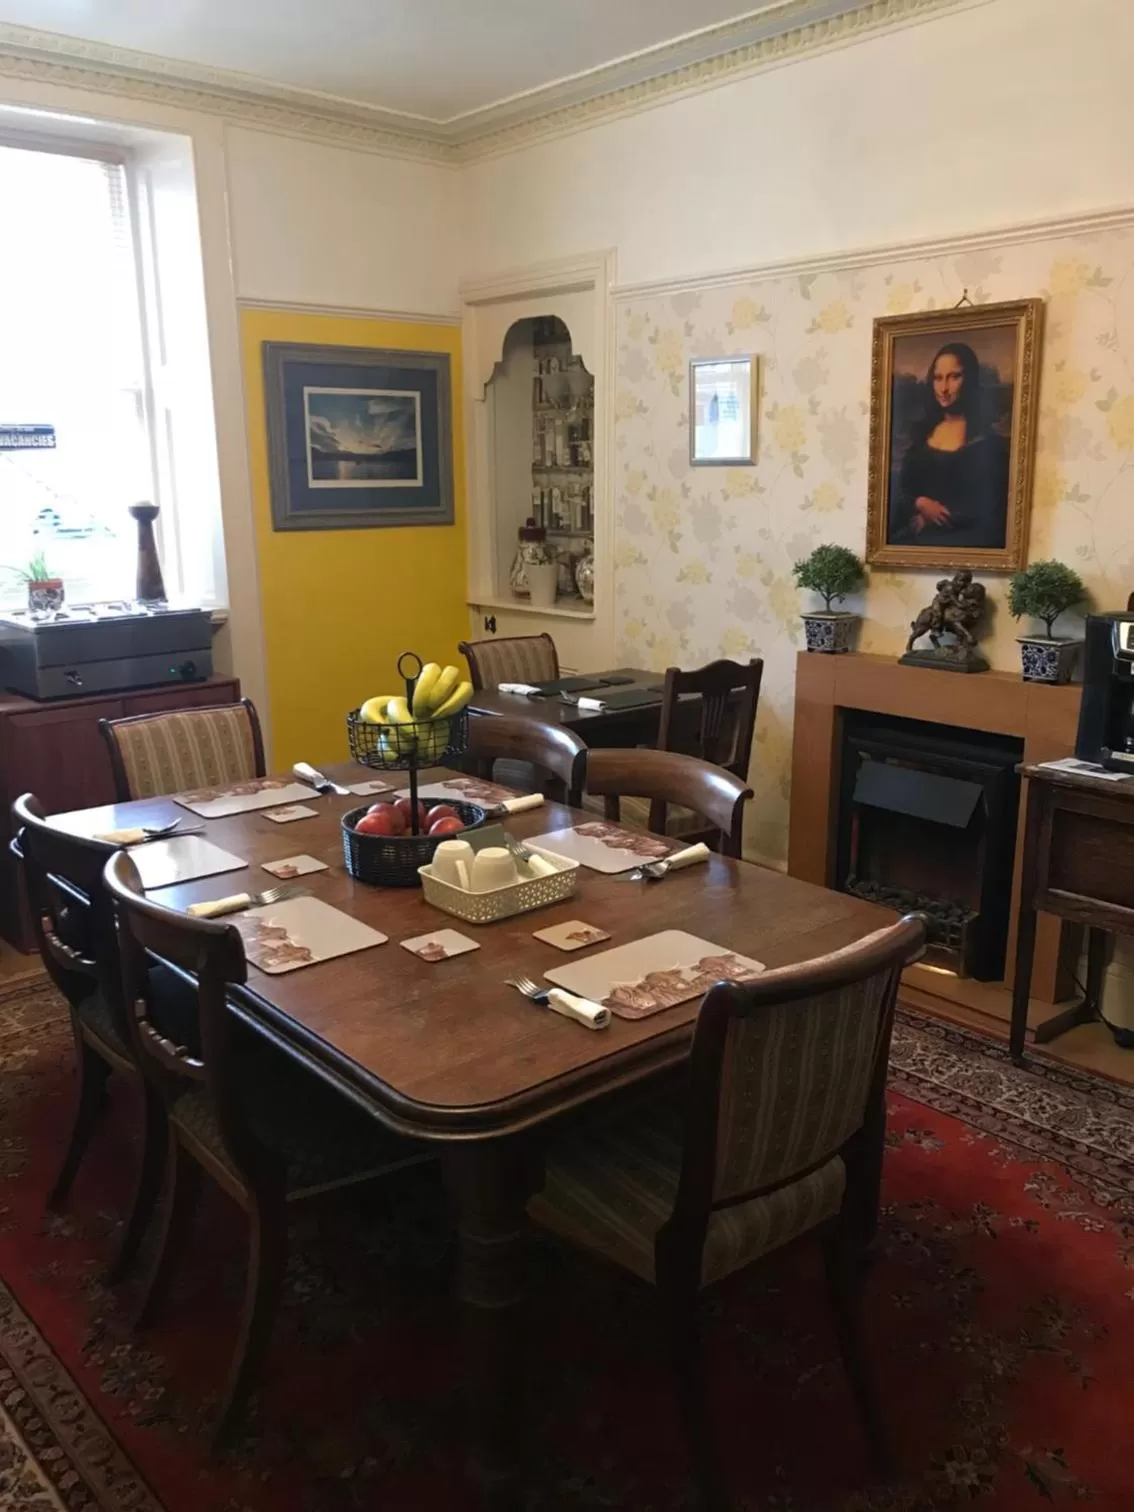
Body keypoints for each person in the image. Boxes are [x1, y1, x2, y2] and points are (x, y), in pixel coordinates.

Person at [889, 341, 1010, 549]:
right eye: (938, 378)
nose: (944, 388)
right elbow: (901, 492)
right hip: (914, 546)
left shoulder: (988, 445)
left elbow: (987, 513)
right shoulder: (920, 435)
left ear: (969, 379)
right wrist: (919, 503)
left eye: (954, 377)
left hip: (962, 544)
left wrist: (931, 518)